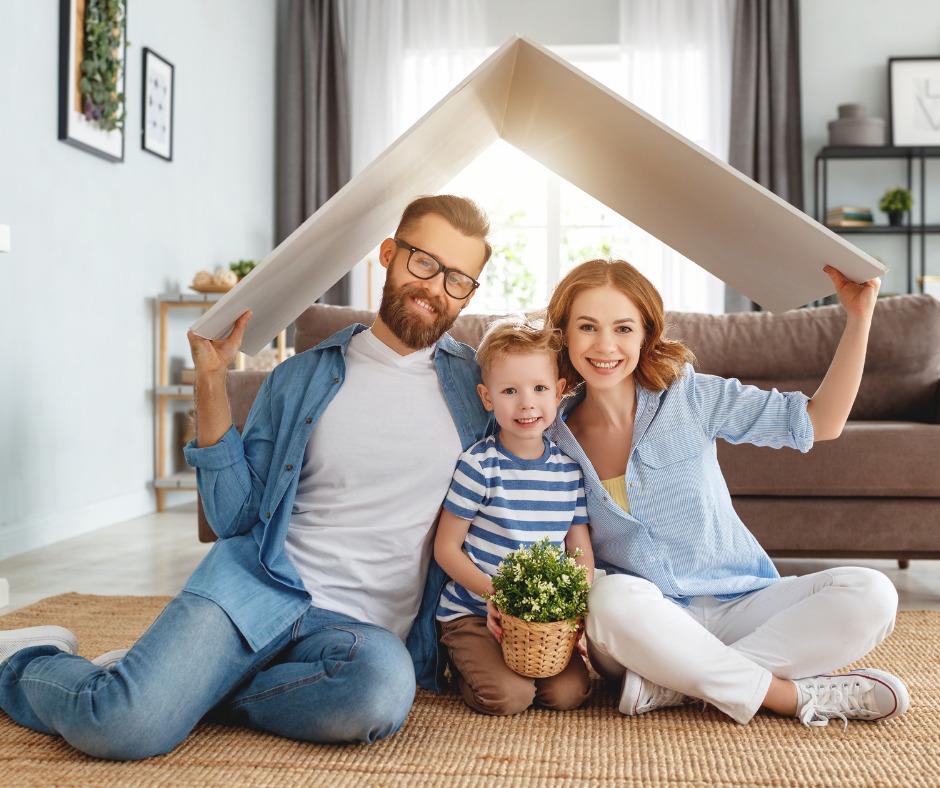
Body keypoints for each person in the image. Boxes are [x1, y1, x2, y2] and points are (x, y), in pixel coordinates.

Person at [0, 194, 494, 759]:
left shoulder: (477, 390)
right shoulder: (301, 378)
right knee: (119, 726)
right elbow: (234, 515)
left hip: (359, 637)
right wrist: (211, 383)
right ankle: (23, 664)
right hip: (259, 588)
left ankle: (190, 688)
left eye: (458, 279)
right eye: (423, 262)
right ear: (387, 254)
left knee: (380, 696)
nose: (435, 287)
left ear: (470, 293)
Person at [543, 258, 909, 729]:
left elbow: (821, 422)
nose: (605, 345)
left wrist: (859, 318)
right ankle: (786, 697)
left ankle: (676, 685)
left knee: (872, 593)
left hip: (742, 602)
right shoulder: (550, 434)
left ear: (645, 335)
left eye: (623, 328)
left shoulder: (691, 396)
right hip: (646, 626)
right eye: (587, 327)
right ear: (564, 335)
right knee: (607, 597)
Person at [433, 319, 595, 716]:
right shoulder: (478, 466)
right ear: (487, 398)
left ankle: (523, 670)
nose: (526, 403)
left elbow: (580, 552)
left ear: (558, 392)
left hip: (541, 622)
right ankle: (465, 664)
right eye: (510, 391)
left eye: (540, 388)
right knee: (510, 697)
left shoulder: (569, 471)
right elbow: (446, 549)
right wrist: (497, 596)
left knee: (568, 694)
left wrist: (572, 605)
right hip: (474, 613)